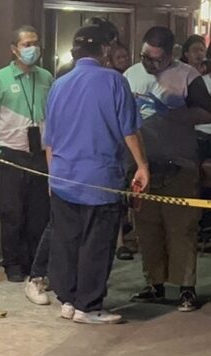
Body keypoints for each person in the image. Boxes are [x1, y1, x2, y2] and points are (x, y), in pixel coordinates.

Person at [44, 25, 150, 324]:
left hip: (63, 177)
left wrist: (52, 176)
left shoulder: (58, 85)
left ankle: (68, 300)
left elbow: (49, 140)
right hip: (99, 180)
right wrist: (142, 166)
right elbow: (129, 130)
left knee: (66, 242)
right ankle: (88, 306)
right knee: (96, 244)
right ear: (105, 50)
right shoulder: (114, 80)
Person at [125, 26, 211, 312]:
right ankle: (154, 283)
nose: (150, 65)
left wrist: (175, 112)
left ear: (171, 55)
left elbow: (207, 113)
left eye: (157, 60)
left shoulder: (188, 76)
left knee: (181, 228)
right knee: (147, 227)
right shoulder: (130, 75)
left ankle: (186, 287)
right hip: (143, 165)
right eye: (145, 57)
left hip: (179, 163)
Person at [0, 25, 54, 285]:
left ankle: (36, 264)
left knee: (39, 214)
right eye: (26, 44)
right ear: (14, 49)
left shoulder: (46, 78)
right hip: (11, 154)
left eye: (35, 43)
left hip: (39, 155)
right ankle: (12, 264)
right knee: (12, 213)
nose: (33, 48)